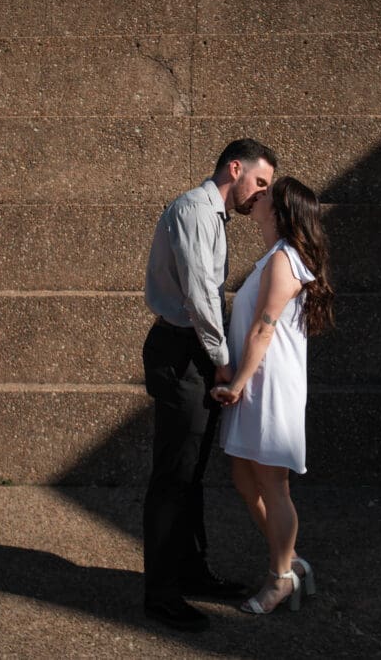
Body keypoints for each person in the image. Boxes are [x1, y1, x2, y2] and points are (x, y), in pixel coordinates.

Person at [141, 138, 278, 632]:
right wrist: (222, 361)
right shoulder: (196, 211)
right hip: (182, 353)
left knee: (191, 474)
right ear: (234, 168)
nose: (261, 195)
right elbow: (201, 294)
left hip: (190, 350)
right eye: (259, 182)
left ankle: (192, 574)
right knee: (173, 477)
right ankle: (161, 593)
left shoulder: (211, 214)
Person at [210, 176, 335, 614]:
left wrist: (237, 383)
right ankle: (293, 561)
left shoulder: (284, 260)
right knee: (246, 479)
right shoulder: (274, 258)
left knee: (273, 485)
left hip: (267, 384)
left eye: (266, 194)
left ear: (281, 212)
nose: (257, 196)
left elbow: (264, 328)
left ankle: (279, 577)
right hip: (253, 381)